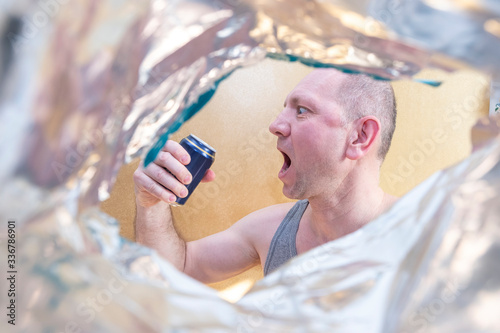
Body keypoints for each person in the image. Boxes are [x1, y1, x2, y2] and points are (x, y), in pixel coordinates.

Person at [133, 68, 399, 284]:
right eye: (285, 109)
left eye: (302, 110)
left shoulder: (426, 241)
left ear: (360, 137)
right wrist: (151, 205)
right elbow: (173, 271)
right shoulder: (270, 231)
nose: (275, 126)